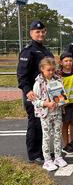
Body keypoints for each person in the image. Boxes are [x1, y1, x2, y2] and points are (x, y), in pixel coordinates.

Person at [17, 20, 54, 164]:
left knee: (44, 124)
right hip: (34, 95)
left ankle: (43, 150)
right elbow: (22, 75)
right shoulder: (28, 51)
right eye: (37, 32)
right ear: (31, 33)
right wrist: (27, 91)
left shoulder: (45, 50)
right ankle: (34, 154)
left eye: (42, 31)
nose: (40, 34)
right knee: (35, 123)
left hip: (45, 94)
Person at [32, 57, 67, 171]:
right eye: (48, 70)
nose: (51, 72)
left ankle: (58, 157)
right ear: (42, 69)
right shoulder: (38, 83)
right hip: (46, 114)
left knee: (57, 136)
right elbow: (34, 101)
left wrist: (62, 101)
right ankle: (47, 160)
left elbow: (63, 94)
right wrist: (45, 103)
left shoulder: (58, 80)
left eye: (53, 69)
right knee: (47, 137)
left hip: (57, 112)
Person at [58, 52, 73, 154]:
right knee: (65, 124)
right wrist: (62, 102)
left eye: (70, 60)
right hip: (65, 105)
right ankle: (66, 144)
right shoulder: (58, 75)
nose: (68, 63)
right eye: (66, 61)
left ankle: (72, 141)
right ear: (61, 62)